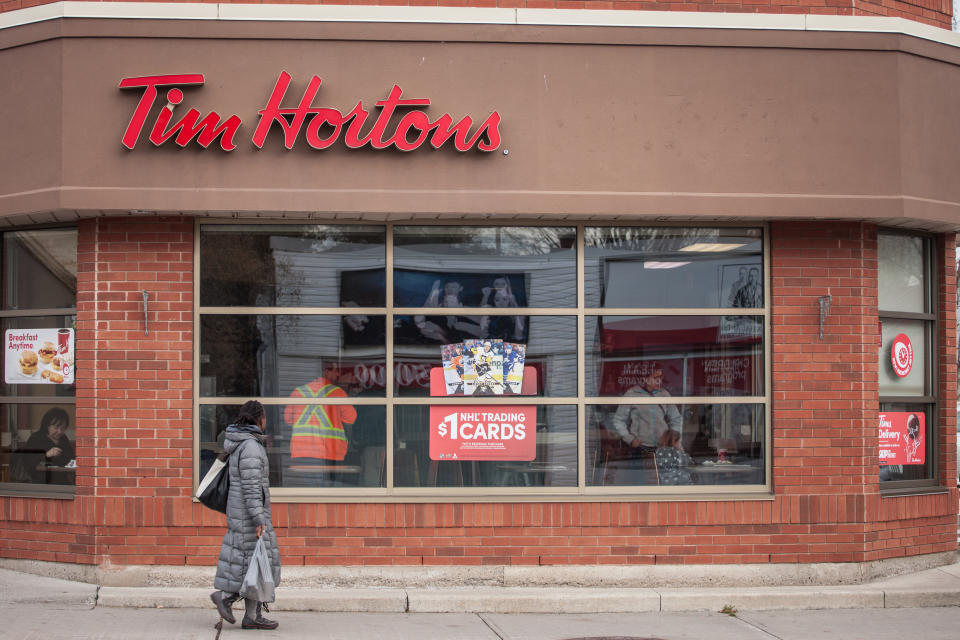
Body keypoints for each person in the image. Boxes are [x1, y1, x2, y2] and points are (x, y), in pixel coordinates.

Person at [211, 400, 282, 630]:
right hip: (248, 515)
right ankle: (225, 597)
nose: (266, 421)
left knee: (256, 561)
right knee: (251, 561)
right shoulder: (250, 447)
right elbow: (252, 487)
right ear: (258, 418)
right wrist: (258, 518)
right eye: (264, 416)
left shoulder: (242, 443)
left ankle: (252, 615)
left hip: (242, 512)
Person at [284, 365, 357, 462]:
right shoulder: (337, 393)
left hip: (301, 451)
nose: (338, 374)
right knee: (333, 478)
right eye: (336, 371)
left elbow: (288, 419)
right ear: (326, 372)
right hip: (330, 453)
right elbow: (351, 418)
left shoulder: (298, 392)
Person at [15, 408, 75, 484]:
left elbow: (70, 457)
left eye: (63, 428)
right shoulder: (36, 438)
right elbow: (28, 461)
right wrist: (47, 454)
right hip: (41, 482)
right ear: (47, 425)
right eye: (56, 427)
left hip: (61, 480)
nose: (59, 431)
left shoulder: (63, 438)